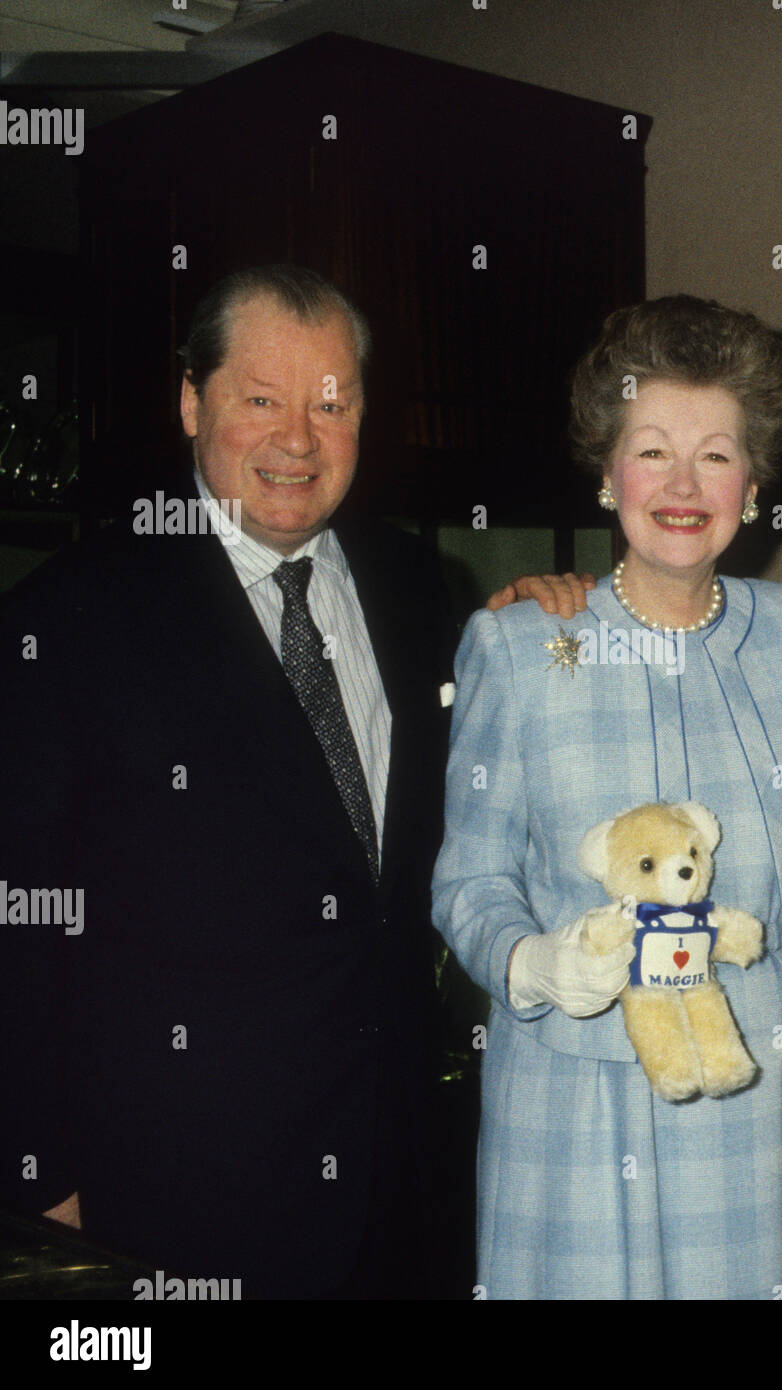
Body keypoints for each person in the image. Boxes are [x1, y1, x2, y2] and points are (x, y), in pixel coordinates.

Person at [0, 264, 581, 1298]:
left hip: (403, 1182)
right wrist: (40, 1185)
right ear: (191, 400)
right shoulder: (69, 619)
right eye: (259, 400)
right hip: (170, 1203)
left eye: (332, 403)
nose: (297, 439)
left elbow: (466, 837)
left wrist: (545, 635)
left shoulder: (416, 587)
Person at [432, 295, 782, 1300]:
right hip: (575, 1114)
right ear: (607, 470)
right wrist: (531, 961)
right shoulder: (517, 648)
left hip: (763, 1113)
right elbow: (466, 881)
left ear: (755, 479)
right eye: (651, 451)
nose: (683, 486)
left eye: (715, 455)